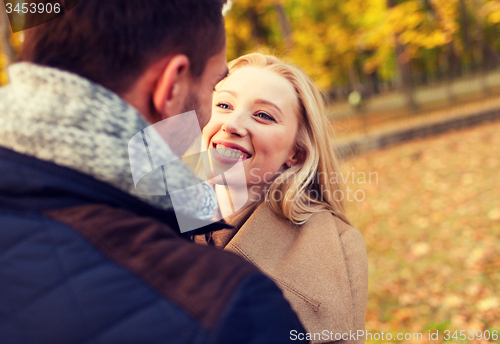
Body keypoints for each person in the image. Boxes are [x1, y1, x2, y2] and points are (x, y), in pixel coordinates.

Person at [0, 2, 307, 343]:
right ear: (171, 86)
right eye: (217, 98)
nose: (230, 124)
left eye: (264, 115)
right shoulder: (236, 313)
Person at [195, 53, 369, 344]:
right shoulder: (141, 209)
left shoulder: (337, 245)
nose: (233, 124)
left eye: (263, 115)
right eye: (224, 105)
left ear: (296, 152)